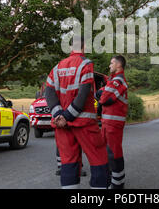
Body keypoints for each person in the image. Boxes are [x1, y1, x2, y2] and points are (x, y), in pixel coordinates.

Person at [45, 35, 109, 189]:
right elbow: (83, 94)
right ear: (84, 46)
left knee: (68, 162)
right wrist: (67, 116)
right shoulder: (85, 64)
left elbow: (49, 93)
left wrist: (59, 115)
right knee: (98, 158)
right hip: (83, 123)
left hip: (62, 125)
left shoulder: (57, 67)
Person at [97, 55, 128, 189]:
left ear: (118, 65)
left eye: (111, 63)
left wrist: (100, 95)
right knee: (106, 153)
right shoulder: (112, 80)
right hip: (106, 122)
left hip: (113, 124)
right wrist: (100, 94)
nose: (109, 66)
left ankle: (118, 184)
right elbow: (99, 94)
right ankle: (110, 179)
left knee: (114, 153)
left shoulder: (118, 81)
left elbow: (104, 99)